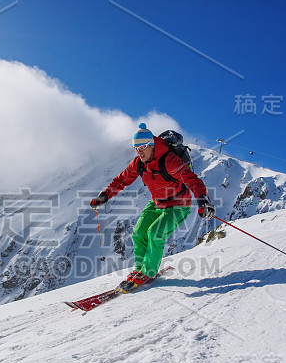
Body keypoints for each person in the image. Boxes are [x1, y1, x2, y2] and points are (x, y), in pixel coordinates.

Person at [90, 123, 215, 292]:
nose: (139, 152)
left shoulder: (170, 161)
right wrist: (103, 196)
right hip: (157, 203)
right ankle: (140, 270)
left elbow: (192, 180)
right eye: (136, 148)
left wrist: (202, 199)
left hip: (178, 205)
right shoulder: (138, 163)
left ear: (152, 145)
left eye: (142, 147)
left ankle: (148, 272)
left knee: (155, 233)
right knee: (138, 232)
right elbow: (122, 179)